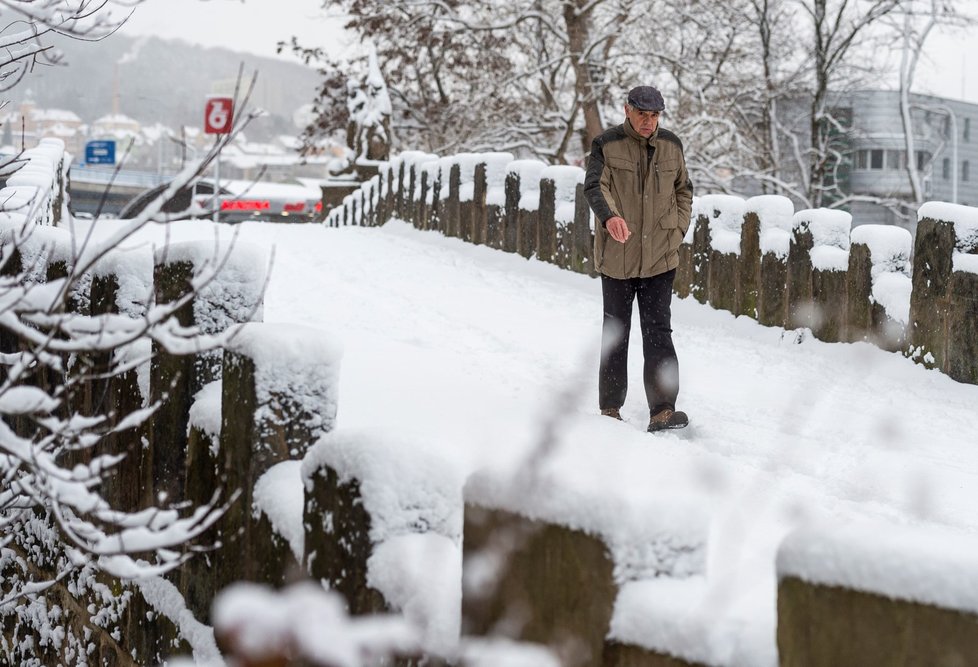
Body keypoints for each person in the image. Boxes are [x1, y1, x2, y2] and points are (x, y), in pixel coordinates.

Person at [583, 85, 693, 432]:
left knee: (659, 331)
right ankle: (611, 408)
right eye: (643, 114)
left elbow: (683, 190)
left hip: (661, 257)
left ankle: (662, 410)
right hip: (619, 255)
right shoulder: (607, 144)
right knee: (617, 333)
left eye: (655, 115)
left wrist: (677, 230)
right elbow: (594, 186)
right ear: (627, 110)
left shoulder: (672, 146)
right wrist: (609, 217)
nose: (649, 121)